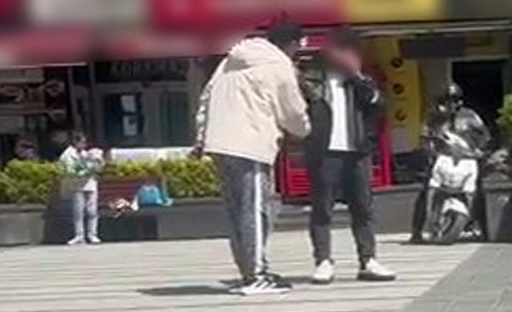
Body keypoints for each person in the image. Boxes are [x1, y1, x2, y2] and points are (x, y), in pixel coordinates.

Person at [194, 20, 310, 295]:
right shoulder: (279, 64)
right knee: (256, 209)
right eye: (298, 46)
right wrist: (305, 130)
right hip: (251, 144)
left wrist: (201, 136)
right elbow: (292, 110)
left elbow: (206, 98)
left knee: (238, 211)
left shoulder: (230, 60)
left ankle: (249, 271)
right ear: (292, 44)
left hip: (220, 144)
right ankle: (257, 275)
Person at [300, 26, 395, 284]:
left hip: (358, 151)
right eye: (340, 50)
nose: (345, 56)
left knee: (363, 207)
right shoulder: (313, 80)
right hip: (324, 152)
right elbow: (298, 111)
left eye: (350, 51)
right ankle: (323, 260)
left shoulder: (361, 83)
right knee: (322, 208)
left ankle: (368, 259)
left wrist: (357, 76)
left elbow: (378, 105)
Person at [411, 82, 492, 243]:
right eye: (447, 100)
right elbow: (425, 138)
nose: (451, 104)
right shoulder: (434, 117)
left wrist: (480, 151)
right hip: (442, 160)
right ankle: (417, 231)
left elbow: (485, 136)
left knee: (479, 191)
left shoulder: (470, 116)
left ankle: (483, 228)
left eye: (455, 100)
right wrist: (430, 153)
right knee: (426, 192)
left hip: (466, 159)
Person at [58, 132, 105, 246]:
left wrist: (99, 162)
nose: (84, 145)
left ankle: (92, 234)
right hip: (77, 185)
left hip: (90, 184)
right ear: (75, 142)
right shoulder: (67, 154)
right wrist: (89, 169)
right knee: (78, 211)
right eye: (82, 142)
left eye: (85, 142)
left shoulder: (86, 153)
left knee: (92, 210)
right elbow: (71, 170)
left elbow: (98, 168)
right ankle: (79, 235)